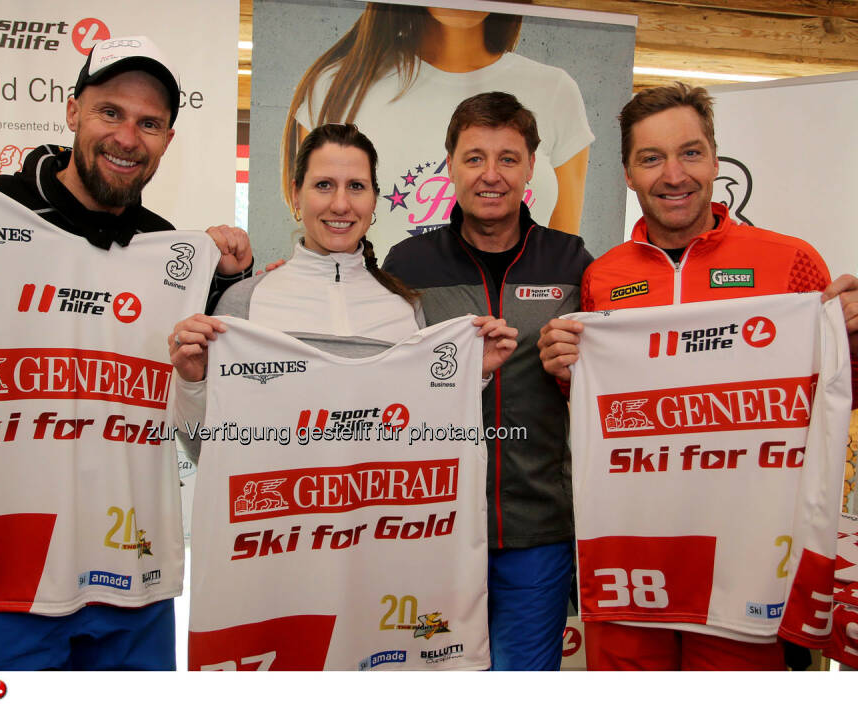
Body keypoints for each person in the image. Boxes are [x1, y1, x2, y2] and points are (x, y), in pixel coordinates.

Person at [0, 35, 252, 670]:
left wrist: (223, 286)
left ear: (168, 139)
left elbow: (208, 412)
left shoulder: (168, 249)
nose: (128, 137)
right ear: (72, 111)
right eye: (110, 112)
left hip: (131, 583)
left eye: (150, 123)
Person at [537, 82, 858, 670]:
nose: (673, 174)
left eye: (689, 152)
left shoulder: (791, 261)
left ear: (715, 158)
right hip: (632, 555)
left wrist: (851, 341)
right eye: (650, 158)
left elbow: (836, 395)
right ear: (629, 175)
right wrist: (564, 369)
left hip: (752, 557)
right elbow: (597, 405)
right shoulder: (604, 276)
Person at [381, 91, 594, 670]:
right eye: (475, 157)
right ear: (449, 165)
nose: (491, 175)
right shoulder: (406, 265)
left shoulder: (573, 261)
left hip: (538, 528)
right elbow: (377, 381)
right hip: (433, 526)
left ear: (531, 169)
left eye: (508, 158)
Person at [171, 122, 517, 464]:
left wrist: (472, 374)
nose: (340, 204)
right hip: (280, 517)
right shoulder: (244, 302)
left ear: (374, 199)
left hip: (378, 518)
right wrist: (192, 382)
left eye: (356, 186)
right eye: (323, 185)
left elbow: (426, 434)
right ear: (295, 194)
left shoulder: (404, 306)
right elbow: (206, 453)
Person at [282, 3, 593, 253]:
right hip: (378, 326)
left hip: (515, 329)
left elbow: (563, 262)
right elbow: (315, 243)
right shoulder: (336, 87)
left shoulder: (554, 91)